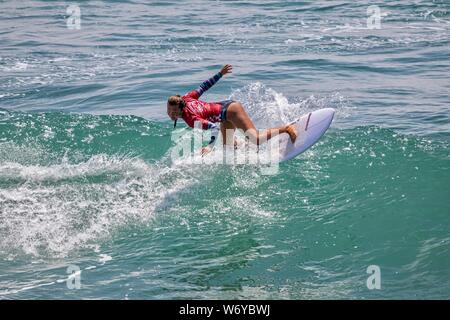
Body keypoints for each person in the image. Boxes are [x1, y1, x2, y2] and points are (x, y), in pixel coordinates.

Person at [167, 64, 297, 155]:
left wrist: (209, 147)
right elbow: (204, 86)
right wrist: (220, 74)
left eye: (173, 112)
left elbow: (214, 128)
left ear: (180, 109)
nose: (170, 115)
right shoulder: (186, 98)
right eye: (168, 111)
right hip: (224, 115)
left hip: (232, 111)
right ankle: (243, 146)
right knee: (228, 148)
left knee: (255, 139)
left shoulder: (191, 119)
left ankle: (285, 129)